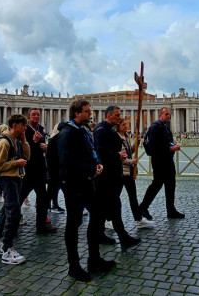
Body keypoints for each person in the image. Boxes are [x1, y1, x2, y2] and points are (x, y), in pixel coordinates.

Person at [58, 99, 115, 282]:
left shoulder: (84, 130)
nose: (90, 114)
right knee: (73, 224)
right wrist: (90, 168)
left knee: (98, 216)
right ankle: (73, 266)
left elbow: (91, 152)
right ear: (77, 113)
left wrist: (97, 163)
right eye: (87, 111)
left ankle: (94, 258)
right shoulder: (67, 133)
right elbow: (66, 160)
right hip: (74, 184)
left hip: (89, 182)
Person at [94, 106, 141, 248]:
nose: (119, 117)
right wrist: (117, 155)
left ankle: (101, 235)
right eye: (116, 115)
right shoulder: (102, 130)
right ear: (108, 115)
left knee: (106, 208)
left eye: (119, 115)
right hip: (107, 176)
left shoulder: (108, 129)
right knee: (113, 207)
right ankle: (122, 237)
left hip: (113, 174)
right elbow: (100, 151)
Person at [0, 114, 29, 265]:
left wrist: (24, 141)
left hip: (17, 178)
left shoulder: (17, 140)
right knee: (14, 213)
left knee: (7, 212)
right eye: (23, 125)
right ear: (14, 125)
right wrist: (15, 163)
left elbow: (27, 156)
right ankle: (7, 249)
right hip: (8, 179)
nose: (25, 128)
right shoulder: (4, 142)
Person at [138, 107, 185, 220]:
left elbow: (166, 142)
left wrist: (171, 147)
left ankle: (171, 210)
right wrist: (170, 149)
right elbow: (155, 146)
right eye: (166, 114)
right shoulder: (155, 128)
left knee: (170, 186)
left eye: (169, 114)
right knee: (156, 185)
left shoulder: (165, 128)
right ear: (160, 115)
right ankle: (142, 207)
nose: (168, 116)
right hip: (159, 161)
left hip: (168, 161)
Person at [19, 108, 56, 234]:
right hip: (28, 169)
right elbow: (22, 147)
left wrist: (46, 146)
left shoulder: (40, 128)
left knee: (43, 199)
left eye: (38, 115)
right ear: (28, 117)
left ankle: (41, 226)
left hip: (40, 169)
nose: (36, 117)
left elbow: (44, 144)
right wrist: (33, 142)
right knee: (20, 196)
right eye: (33, 115)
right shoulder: (24, 130)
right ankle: (7, 219)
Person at [116, 117, 154, 229]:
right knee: (115, 197)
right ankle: (108, 219)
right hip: (121, 171)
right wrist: (131, 161)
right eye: (123, 125)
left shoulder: (126, 137)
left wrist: (136, 143)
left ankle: (138, 219)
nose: (126, 127)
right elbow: (119, 157)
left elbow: (129, 152)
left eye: (126, 124)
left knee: (133, 196)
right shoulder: (116, 138)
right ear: (118, 127)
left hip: (129, 171)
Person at [46, 124, 64, 213]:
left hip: (56, 170)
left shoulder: (57, 139)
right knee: (52, 190)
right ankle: (49, 206)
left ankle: (53, 205)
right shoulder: (54, 139)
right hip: (55, 170)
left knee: (53, 189)